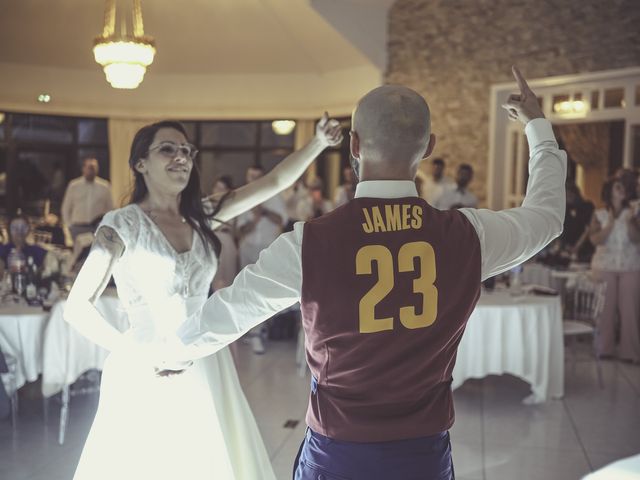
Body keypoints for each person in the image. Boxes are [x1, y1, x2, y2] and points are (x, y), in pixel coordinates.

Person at [178, 67, 566, 479]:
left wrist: (172, 354)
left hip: (338, 451)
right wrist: (537, 127)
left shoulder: (309, 242)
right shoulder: (468, 235)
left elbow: (230, 312)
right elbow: (546, 217)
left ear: (355, 145)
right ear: (429, 147)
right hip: (423, 453)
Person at [63, 115, 343, 480]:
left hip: (207, 359)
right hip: (146, 363)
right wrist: (138, 355)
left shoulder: (202, 215)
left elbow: (273, 182)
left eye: (186, 150)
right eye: (167, 149)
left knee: (206, 460)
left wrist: (318, 143)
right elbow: (76, 307)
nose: (181, 157)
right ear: (140, 164)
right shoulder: (121, 224)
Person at [236, 164, 289, 354]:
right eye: (251, 176)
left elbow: (282, 220)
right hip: (248, 247)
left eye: (258, 176)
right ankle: (253, 330)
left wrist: (264, 211)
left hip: (267, 248)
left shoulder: (274, 195)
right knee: (247, 290)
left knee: (263, 290)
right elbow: (241, 230)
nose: (254, 180)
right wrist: (255, 219)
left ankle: (258, 331)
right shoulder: (243, 197)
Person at [588, 178, 640, 363]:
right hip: (604, 266)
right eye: (618, 187)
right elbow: (595, 240)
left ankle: (631, 352)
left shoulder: (633, 213)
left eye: (624, 186)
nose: (623, 190)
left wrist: (631, 220)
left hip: (631, 266)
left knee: (630, 310)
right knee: (605, 309)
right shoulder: (600, 214)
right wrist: (610, 225)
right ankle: (604, 348)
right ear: (610, 191)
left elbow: (636, 239)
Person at [61, 157, 113, 242]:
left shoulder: (105, 186)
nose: (92, 170)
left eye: (94, 168)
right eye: (90, 167)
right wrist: (69, 226)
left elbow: (110, 208)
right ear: (83, 168)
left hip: (96, 228)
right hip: (77, 227)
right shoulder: (74, 185)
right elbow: (66, 208)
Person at [0, 214, 49, 279]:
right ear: (9, 230)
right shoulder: (2, 251)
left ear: (28, 230)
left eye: (23, 227)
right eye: (14, 228)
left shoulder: (37, 251)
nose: (19, 231)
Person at [559, 182, 594, 262]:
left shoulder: (587, 207)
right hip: (568, 248)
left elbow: (588, 229)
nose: (568, 198)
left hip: (584, 247)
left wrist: (577, 246)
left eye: (570, 195)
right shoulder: (565, 209)